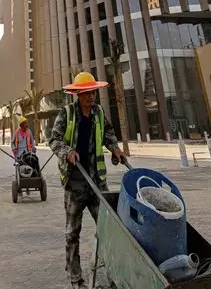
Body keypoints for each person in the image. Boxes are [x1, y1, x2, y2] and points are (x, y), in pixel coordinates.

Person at [49, 72, 125, 289]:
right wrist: (67, 151)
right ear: (77, 93)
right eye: (87, 93)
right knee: (72, 232)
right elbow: (53, 139)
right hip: (75, 183)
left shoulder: (99, 112)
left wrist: (115, 149)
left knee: (108, 228)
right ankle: (75, 278)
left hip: (97, 181)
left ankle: (114, 274)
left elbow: (108, 133)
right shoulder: (67, 113)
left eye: (93, 92)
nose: (91, 97)